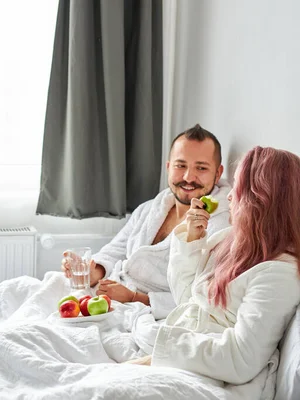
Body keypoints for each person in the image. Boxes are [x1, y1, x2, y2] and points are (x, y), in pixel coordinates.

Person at [126, 146, 300, 386]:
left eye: (237, 188)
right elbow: (186, 298)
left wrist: (159, 353)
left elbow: (241, 360)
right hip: (181, 350)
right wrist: (192, 241)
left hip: (206, 371)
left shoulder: (279, 273)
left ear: (261, 198)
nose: (229, 196)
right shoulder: (231, 241)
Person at [62, 124, 232, 319]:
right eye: (180, 165)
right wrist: (95, 272)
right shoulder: (151, 208)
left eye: (201, 168)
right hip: (110, 294)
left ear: (218, 173)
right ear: (168, 167)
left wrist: (135, 297)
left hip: (152, 311)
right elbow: (115, 249)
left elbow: (204, 298)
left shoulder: (221, 226)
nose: (188, 177)